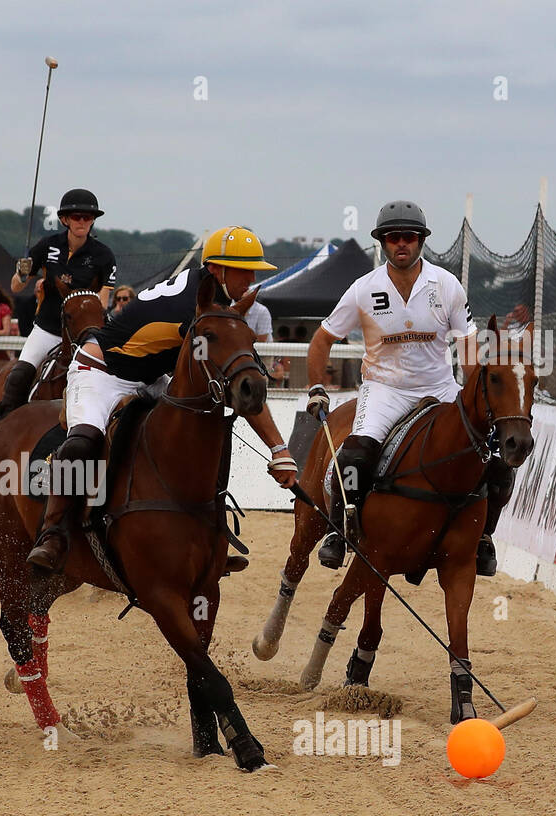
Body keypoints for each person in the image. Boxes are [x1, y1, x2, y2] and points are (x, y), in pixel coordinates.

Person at [26, 226, 298, 572]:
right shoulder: (194, 309)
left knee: (202, 423)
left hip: (148, 373)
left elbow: (238, 386)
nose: (253, 277)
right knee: (84, 442)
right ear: (217, 269)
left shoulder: (214, 300)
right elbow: (240, 394)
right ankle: (53, 533)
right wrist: (279, 449)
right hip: (101, 369)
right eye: (245, 269)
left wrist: (279, 451)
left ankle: (208, 531)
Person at [304, 200, 508, 576]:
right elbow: (321, 340)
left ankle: (484, 537)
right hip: (385, 388)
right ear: (383, 242)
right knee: (355, 454)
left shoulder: (447, 286)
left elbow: (469, 353)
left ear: (421, 241)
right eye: (394, 237)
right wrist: (317, 387)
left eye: (409, 237)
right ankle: (337, 530)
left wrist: (483, 407)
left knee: (494, 461)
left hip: (440, 387)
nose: (402, 244)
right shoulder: (363, 289)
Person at [0, 189, 117, 423]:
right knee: (20, 373)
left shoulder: (104, 255)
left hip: (84, 334)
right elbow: (16, 288)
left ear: (93, 221)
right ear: (65, 220)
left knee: (112, 373)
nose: (82, 221)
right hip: (48, 328)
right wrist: (21, 273)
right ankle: (4, 421)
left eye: (87, 217)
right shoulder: (47, 246)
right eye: (76, 216)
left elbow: (103, 300)